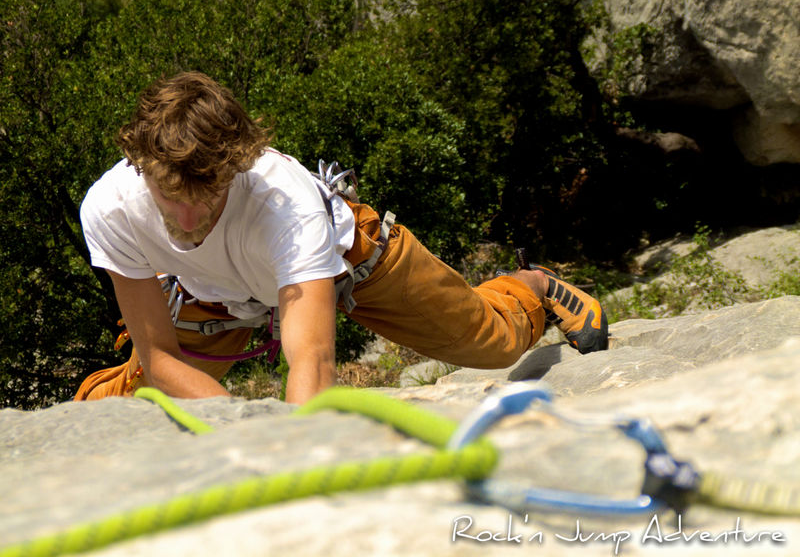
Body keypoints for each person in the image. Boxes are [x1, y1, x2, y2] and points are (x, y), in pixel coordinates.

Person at [75, 71, 608, 405]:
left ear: (237, 166)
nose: (190, 220)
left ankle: (533, 286)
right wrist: (233, 435)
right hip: (214, 295)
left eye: (208, 196)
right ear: (139, 166)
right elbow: (159, 355)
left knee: (494, 345)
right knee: (130, 403)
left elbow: (311, 359)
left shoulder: (283, 201)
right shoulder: (111, 209)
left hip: (354, 261)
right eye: (171, 198)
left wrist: (294, 457)